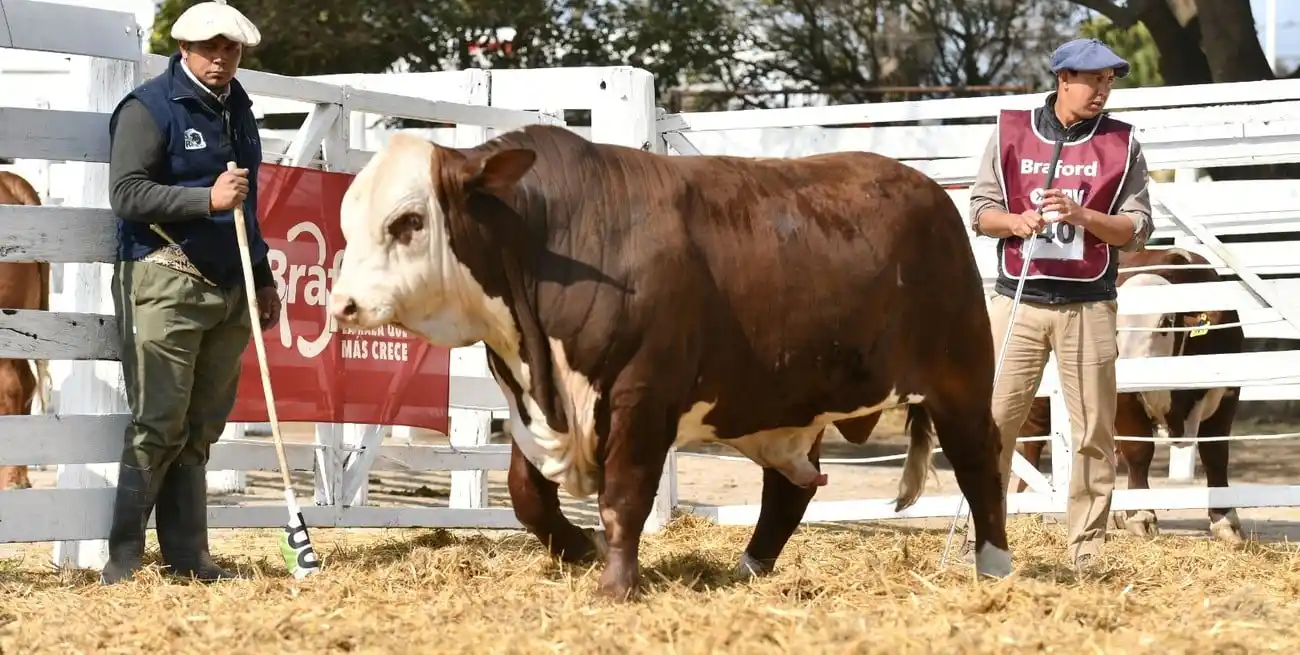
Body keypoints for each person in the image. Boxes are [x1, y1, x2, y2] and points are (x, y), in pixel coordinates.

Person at [101, 0, 281, 584]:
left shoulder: (238, 108)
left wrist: (261, 274)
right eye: (210, 48)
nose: (221, 58)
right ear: (184, 49)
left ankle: (187, 559)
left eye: (231, 49)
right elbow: (127, 194)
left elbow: (246, 207)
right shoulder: (149, 108)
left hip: (228, 287)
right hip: (164, 277)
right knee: (159, 421)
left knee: (203, 427)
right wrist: (205, 200)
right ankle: (123, 563)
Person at [965, 38, 1154, 571]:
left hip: (1088, 305)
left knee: (1094, 429)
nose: (1102, 90)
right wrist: (1015, 222)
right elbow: (980, 211)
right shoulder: (1010, 130)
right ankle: (985, 541)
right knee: (994, 422)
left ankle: (1087, 547)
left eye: (1110, 81)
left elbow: (1138, 229)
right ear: (1063, 78)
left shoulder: (1123, 143)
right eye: (1093, 80)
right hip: (1016, 300)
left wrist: (1083, 216)